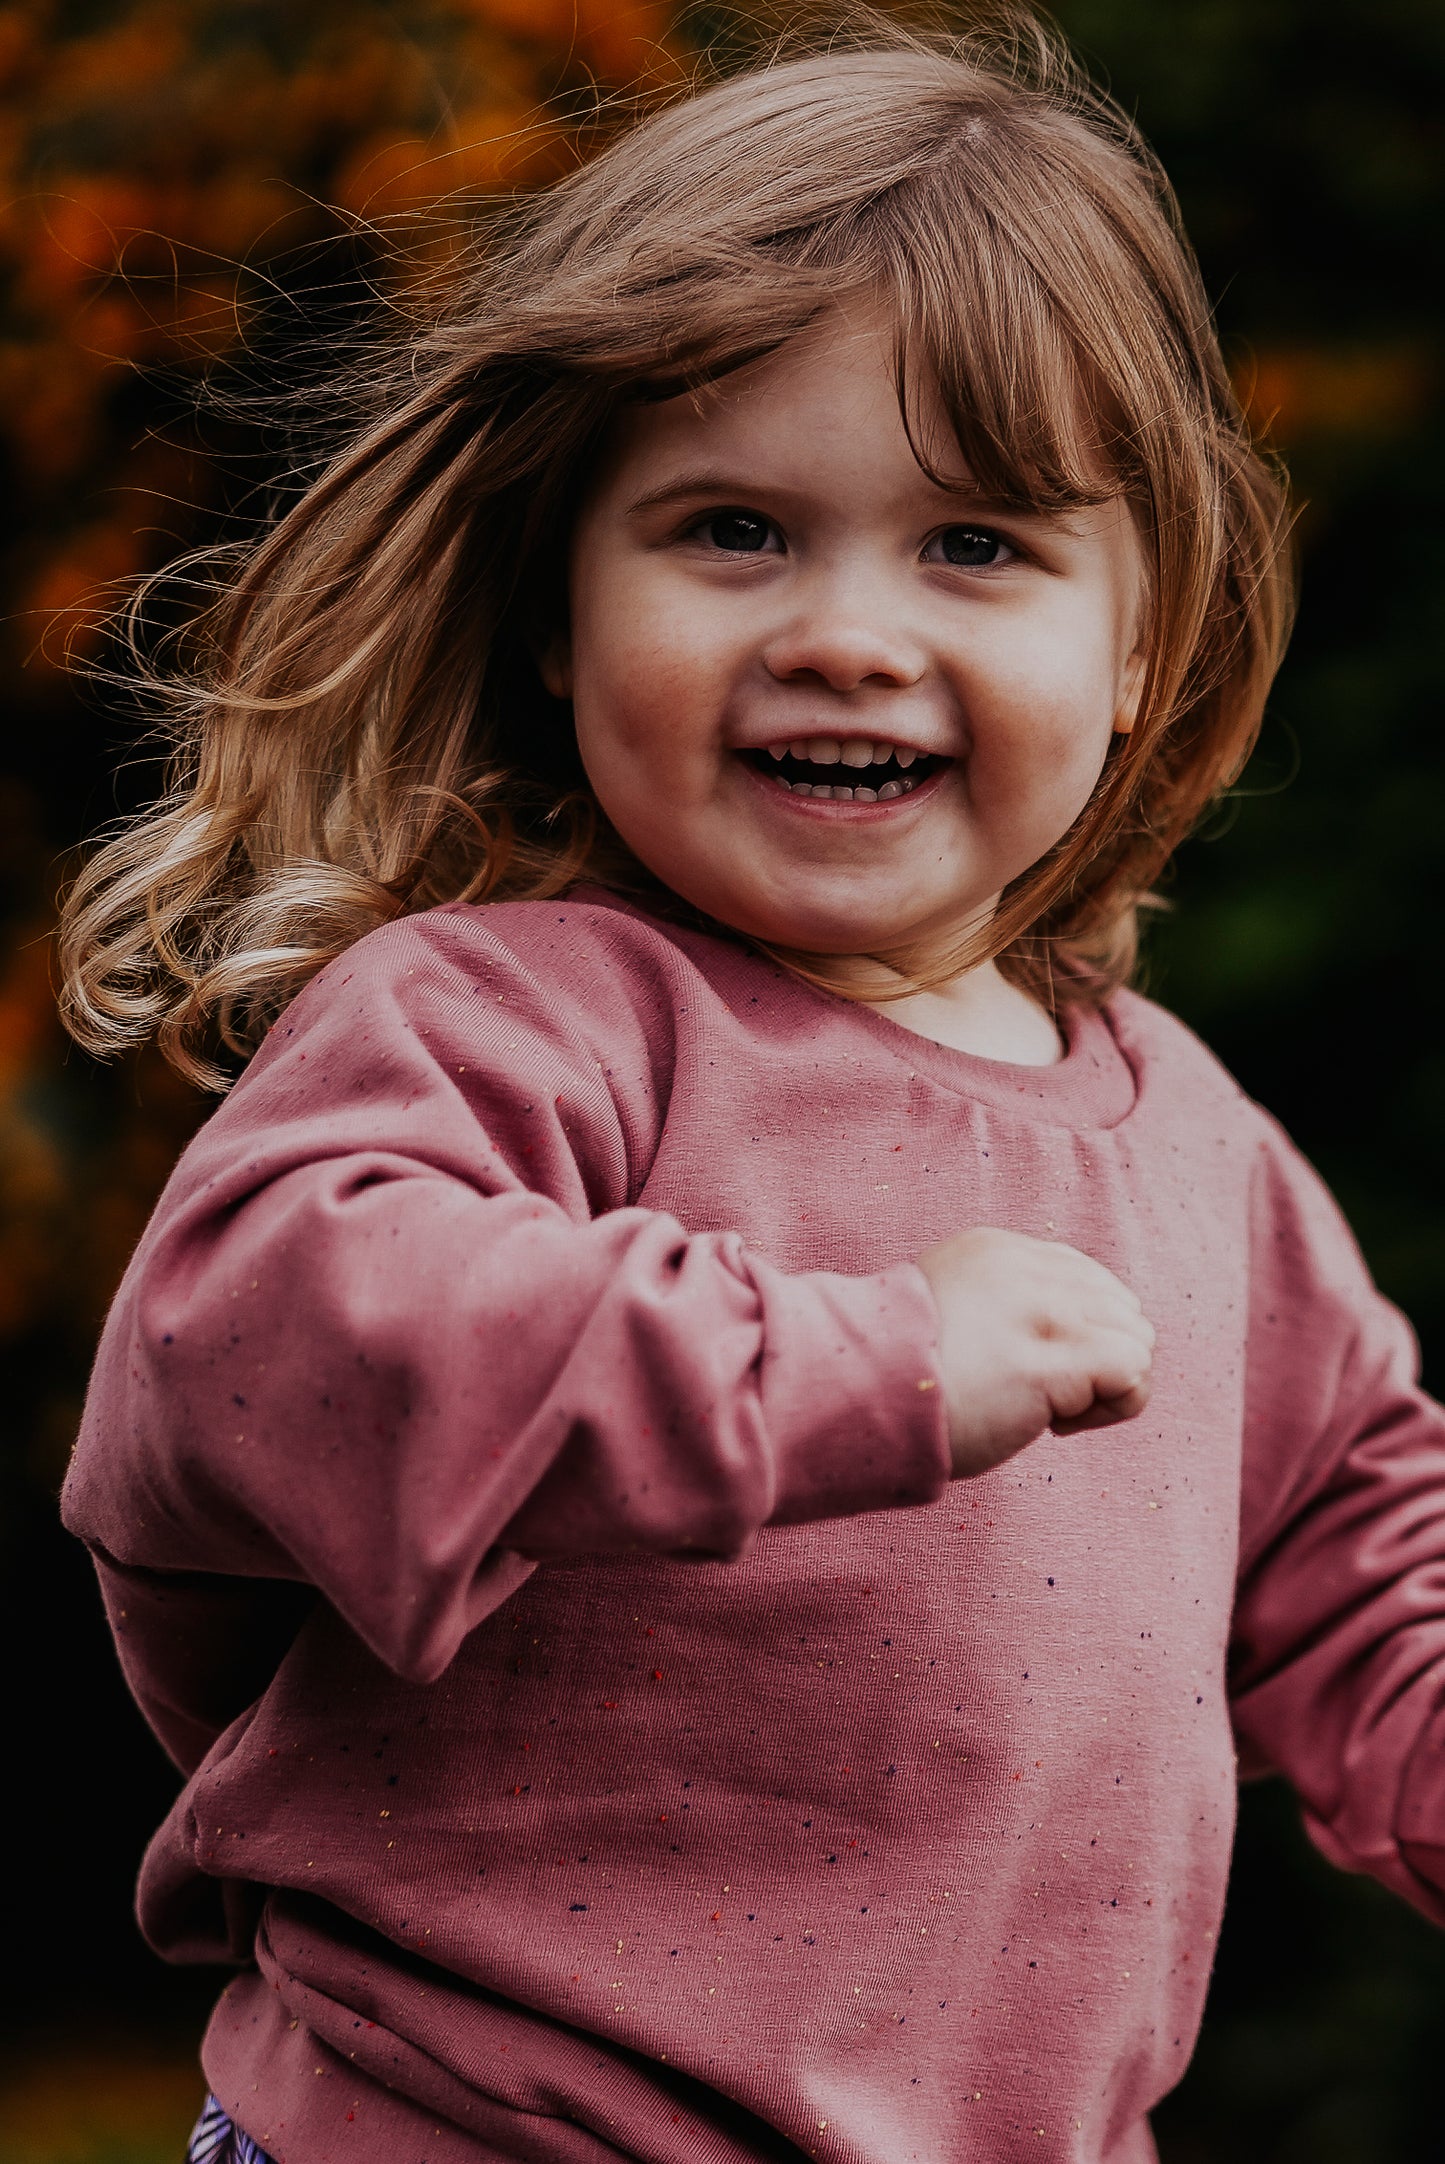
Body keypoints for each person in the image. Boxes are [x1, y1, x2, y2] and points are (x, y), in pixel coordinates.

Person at [55, 12, 1445, 2163]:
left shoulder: (1195, 1142)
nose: (850, 635)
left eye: (975, 543)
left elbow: (1365, 1559)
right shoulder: (518, 1024)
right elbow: (250, 1341)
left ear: (1144, 637)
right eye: (733, 529)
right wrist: (861, 1360)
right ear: (553, 611)